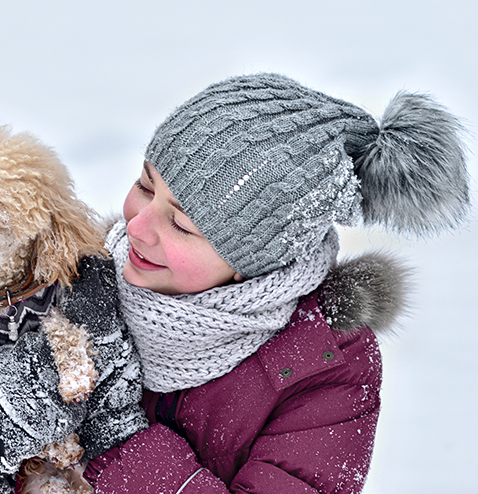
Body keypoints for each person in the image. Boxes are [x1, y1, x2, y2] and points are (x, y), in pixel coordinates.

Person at [81, 73, 470, 493]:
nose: (136, 226)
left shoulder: (324, 367)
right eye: (145, 185)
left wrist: (121, 442)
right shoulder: (76, 282)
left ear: (253, 262)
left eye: (180, 224)